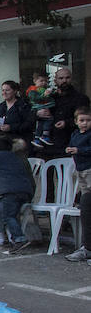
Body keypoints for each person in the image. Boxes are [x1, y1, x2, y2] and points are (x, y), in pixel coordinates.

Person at [36, 67, 91, 158]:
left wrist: (66, 123)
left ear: (71, 79)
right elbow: (31, 115)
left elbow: (85, 118)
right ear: (55, 80)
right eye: (61, 78)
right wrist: (38, 114)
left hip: (70, 142)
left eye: (67, 78)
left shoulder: (81, 98)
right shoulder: (50, 97)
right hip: (48, 143)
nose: (64, 80)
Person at [64, 105, 91, 262]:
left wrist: (79, 151)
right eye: (82, 120)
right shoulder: (75, 134)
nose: (85, 123)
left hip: (89, 169)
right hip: (80, 171)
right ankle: (86, 248)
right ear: (76, 122)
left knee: (87, 202)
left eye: (88, 120)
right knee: (85, 204)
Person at [0, 80, 33, 145]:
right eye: (3, 90)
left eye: (7, 90)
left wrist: (11, 127)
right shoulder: (1, 106)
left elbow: (29, 124)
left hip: (19, 142)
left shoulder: (23, 105)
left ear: (15, 91)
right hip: (3, 142)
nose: (4, 93)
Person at [26, 72, 56, 148]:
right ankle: (43, 135)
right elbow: (35, 99)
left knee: (42, 123)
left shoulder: (44, 89)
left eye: (45, 81)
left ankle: (38, 137)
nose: (44, 83)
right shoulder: (32, 90)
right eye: (41, 81)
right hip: (38, 107)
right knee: (47, 119)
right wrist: (44, 95)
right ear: (35, 81)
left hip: (45, 106)